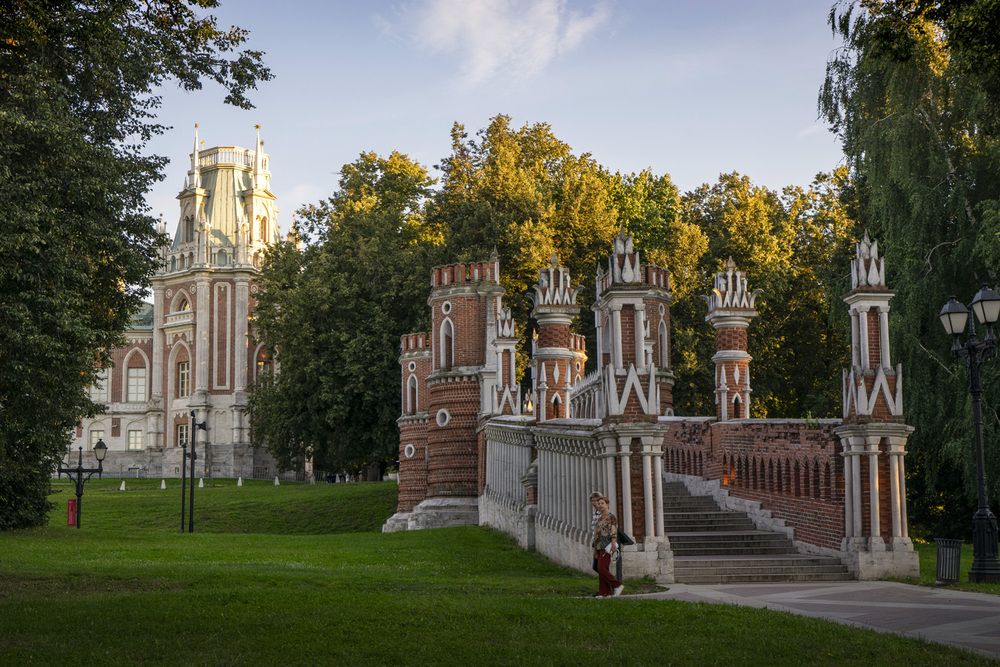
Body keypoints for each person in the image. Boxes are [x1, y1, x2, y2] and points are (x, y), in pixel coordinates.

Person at [590, 493, 624, 597]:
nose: (600, 505)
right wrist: (595, 549)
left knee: (601, 568)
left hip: (607, 545)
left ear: (607, 504)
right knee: (601, 569)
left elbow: (613, 530)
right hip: (598, 546)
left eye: (602, 503)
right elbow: (596, 534)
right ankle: (604, 593)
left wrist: (613, 543)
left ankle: (617, 585)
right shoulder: (599, 519)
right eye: (599, 503)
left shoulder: (611, 517)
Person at [589, 492, 602, 573]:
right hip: (596, 540)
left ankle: (611, 580)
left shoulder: (602, 512)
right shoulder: (595, 513)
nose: (594, 503)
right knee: (596, 566)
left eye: (596, 501)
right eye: (592, 501)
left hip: (601, 541)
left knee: (599, 566)